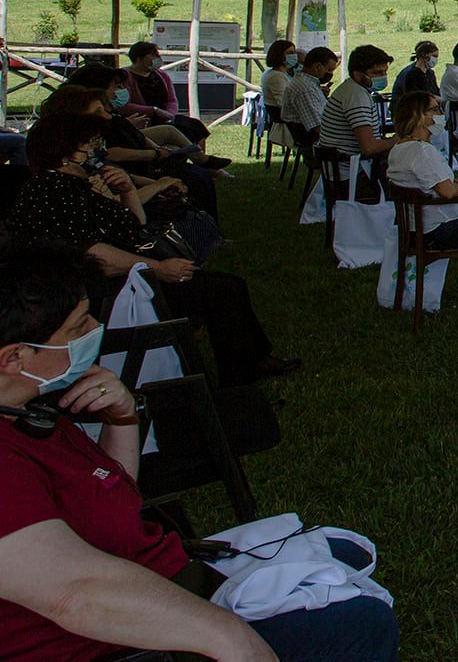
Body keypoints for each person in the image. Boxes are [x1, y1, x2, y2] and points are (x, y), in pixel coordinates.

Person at [0, 241, 397, 662]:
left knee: (345, 554)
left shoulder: (29, 410)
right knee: (362, 624)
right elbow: (76, 594)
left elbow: (109, 494)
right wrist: (231, 636)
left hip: (164, 577)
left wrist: (122, 418)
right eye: (79, 327)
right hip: (125, 635)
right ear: (15, 358)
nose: (96, 328)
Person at [9, 114, 297, 386]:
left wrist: (127, 190)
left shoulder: (73, 185)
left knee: (226, 286)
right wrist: (157, 268)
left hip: (121, 278)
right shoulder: (53, 190)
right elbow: (92, 253)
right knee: (223, 291)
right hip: (103, 292)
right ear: (65, 153)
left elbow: (135, 226)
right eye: (91, 144)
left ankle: (250, 365)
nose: (98, 151)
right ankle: (240, 380)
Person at [46, 75, 219, 221]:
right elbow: (116, 204)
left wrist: (161, 183)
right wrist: (158, 184)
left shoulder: (90, 151)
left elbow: (119, 175)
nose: (107, 116)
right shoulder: (68, 164)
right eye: (98, 112)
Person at [384, 91, 458, 248]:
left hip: (416, 228)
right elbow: (447, 192)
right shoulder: (422, 151)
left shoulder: (398, 149)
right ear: (419, 117)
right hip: (443, 229)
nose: (441, 113)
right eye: (435, 109)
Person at [121, 42, 218, 156]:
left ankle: (202, 158)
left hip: (166, 117)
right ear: (138, 59)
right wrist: (154, 110)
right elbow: (124, 105)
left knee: (195, 126)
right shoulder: (125, 76)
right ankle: (201, 159)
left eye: (158, 54)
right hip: (144, 120)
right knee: (174, 131)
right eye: (153, 55)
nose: (158, 58)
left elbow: (172, 100)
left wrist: (170, 114)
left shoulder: (161, 75)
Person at [320, 45, 398, 159]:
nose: (383, 76)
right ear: (357, 74)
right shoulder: (356, 96)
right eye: (377, 73)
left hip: (349, 161)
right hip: (353, 165)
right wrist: (398, 140)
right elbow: (369, 148)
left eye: (385, 71)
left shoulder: (351, 88)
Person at [281, 46, 336, 139]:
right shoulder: (305, 89)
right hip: (317, 140)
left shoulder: (309, 84)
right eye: (329, 70)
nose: (330, 74)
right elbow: (319, 127)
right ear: (317, 67)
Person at [259, 39, 299, 118]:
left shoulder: (275, 73)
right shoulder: (276, 77)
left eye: (295, 53)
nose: (294, 56)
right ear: (279, 55)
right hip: (284, 120)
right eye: (290, 53)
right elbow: (283, 102)